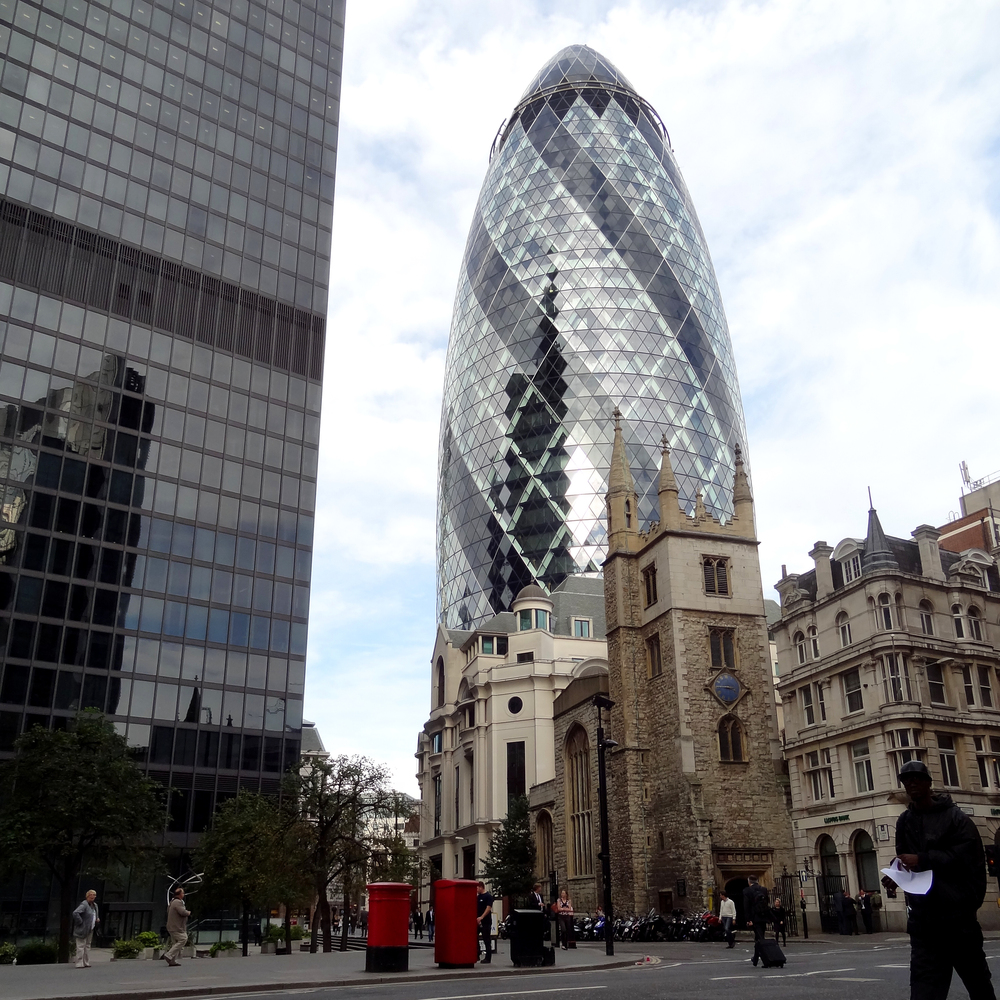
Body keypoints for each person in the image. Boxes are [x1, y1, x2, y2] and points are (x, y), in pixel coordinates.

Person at [895, 758, 995, 1000]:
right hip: (925, 924)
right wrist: (896, 875)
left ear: (929, 783)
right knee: (924, 990)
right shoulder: (905, 822)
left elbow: (965, 857)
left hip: (958, 921)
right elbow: (903, 859)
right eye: (907, 780)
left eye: (917, 778)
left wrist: (922, 858)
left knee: (979, 986)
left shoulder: (956, 818)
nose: (912, 784)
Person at [743, 876, 769, 967]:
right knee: (759, 938)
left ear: (749, 882)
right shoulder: (764, 889)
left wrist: (748, 920)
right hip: (763, 917)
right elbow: (767, 903)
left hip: (755, 919)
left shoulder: (747, 891)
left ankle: (767, 958)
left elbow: (746, 906)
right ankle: (755, 958)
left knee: (760, 939)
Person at [71, 889, 100, 968]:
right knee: (81, 946)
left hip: (90, 929)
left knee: (87, 946)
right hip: (82, 929)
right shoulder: (84, 904)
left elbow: (95, 914)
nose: (93, 896)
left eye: (94, 895)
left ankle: (86, 962)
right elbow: (75, 913)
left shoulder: (95, 905)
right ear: (87, 896)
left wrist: (97, 919)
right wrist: (80, 922)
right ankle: (79, 962)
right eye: (91, 894)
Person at [164, 887, 191, 967]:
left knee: (175, 943)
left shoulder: (172, 902)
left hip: (171, 926)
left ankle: (172, 961)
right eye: (182, 893)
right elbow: (182, 912)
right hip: (176, 927)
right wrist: (188, 912)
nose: (183, 894)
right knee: (183, 938)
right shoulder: (178, 902)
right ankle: (169, 955)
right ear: (179, 894)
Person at [476, 881, 493, 963]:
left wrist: (482, 917)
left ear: (481, 887)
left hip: (485, 921)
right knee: (474, 937)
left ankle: (488, 957)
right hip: (477, 921)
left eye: (477, 888)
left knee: (486, 939)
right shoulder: (478, 897)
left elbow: (488, 908)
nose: (476, 890)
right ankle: (477, 953)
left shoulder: (488, 896)